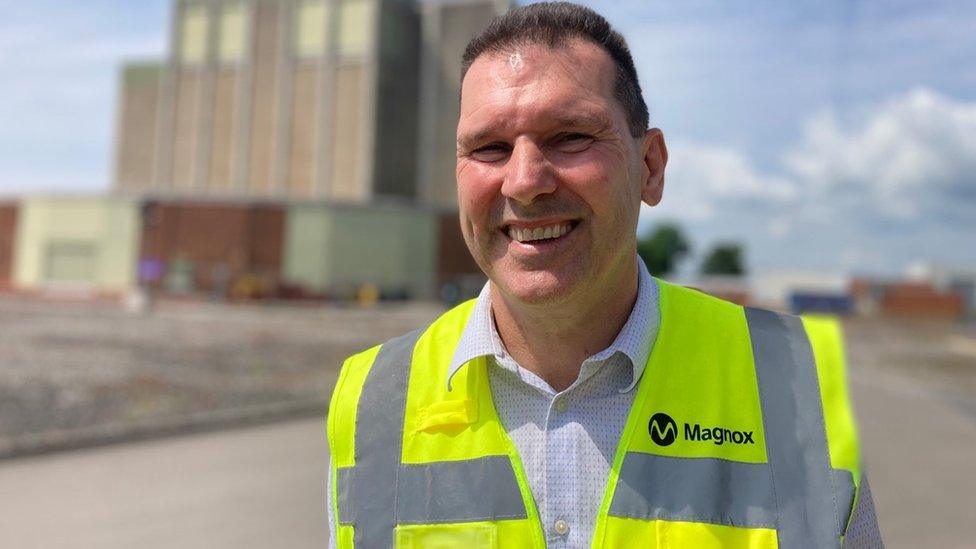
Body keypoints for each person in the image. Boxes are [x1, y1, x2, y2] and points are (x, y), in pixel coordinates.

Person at [326, 2, 883, 547]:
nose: (524, 181)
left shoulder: (791, 388)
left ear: (650, 167)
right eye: (490, 148)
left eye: (570, 137)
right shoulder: (373, 404)